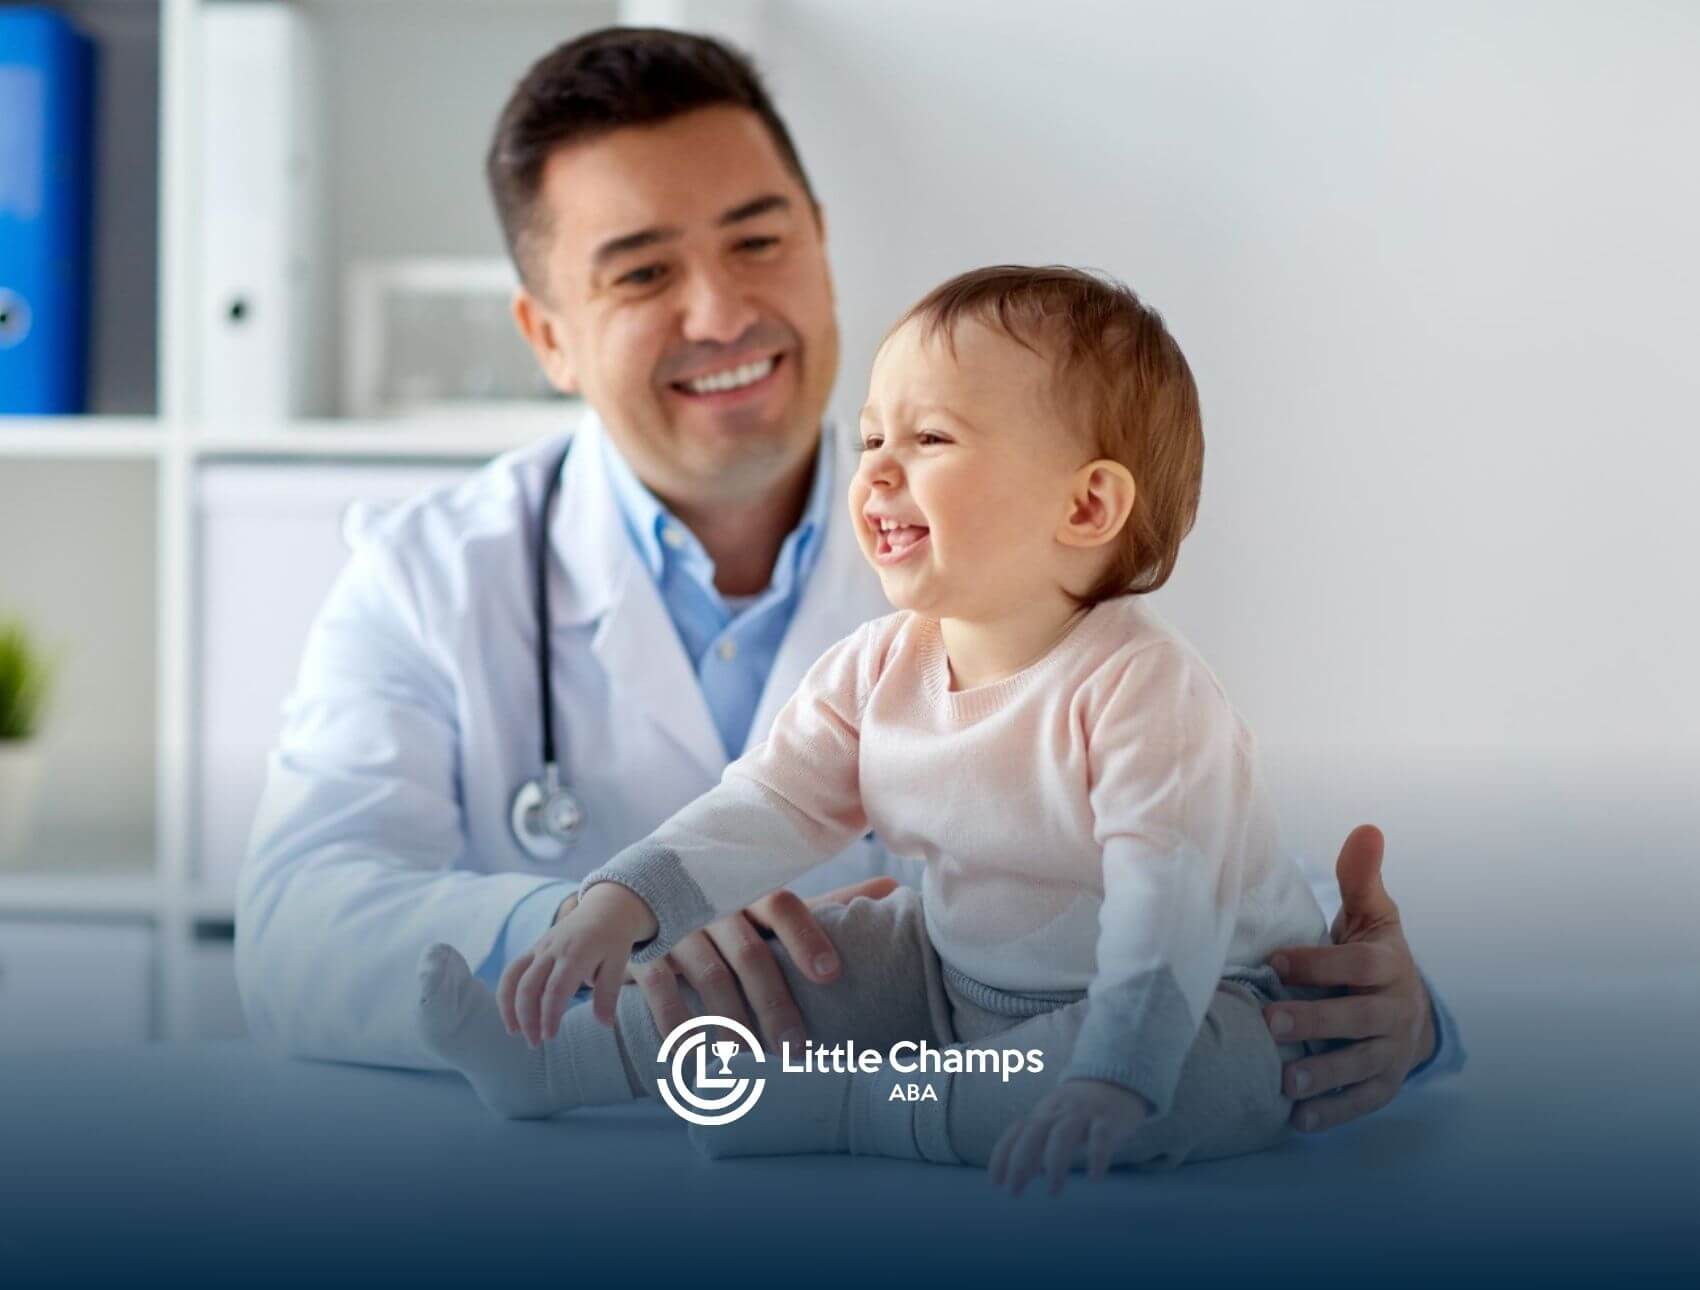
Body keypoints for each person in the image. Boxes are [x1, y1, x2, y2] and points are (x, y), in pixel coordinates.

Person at [237, 27, 1462, 1137]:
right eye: (642, 273)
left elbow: (1192, 864)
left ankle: (862, 1111)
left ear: (820, 249)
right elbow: (298, 929)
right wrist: (603, 926)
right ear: (547, 335)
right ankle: (558, 1060)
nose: (721, 311)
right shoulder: (426, 575)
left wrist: (1398, 1014)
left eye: (757, 241)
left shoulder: (1048, 569)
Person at [418, 264, 1339, 1197]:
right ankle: (547, 1062)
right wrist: (622, 902)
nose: (876, 472)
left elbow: (1167, 907)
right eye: (870, 438)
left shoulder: (1146, 689)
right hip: (954, 972)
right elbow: (765, 806)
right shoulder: (880, 665)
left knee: (1187, 1078)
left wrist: (1113, 1073)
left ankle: (853, 1107)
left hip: (1195, 999)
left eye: (929, 437)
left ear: (1086, 506)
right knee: (789, 967)